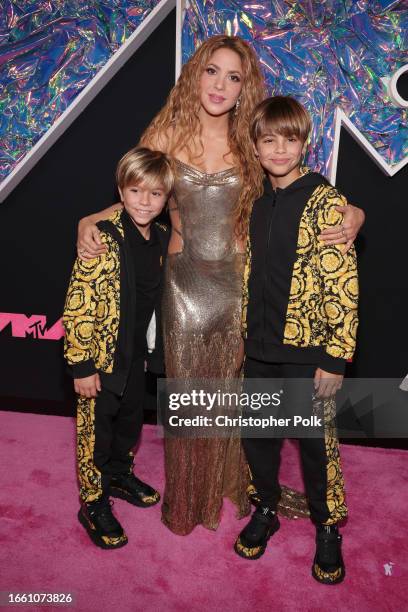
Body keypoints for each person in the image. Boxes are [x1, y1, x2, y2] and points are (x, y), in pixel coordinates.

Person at [76, 35, 365, 536]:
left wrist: (356, 212)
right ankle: (189, 495)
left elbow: (296, 187)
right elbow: (137, 192)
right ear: (196, 73)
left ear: (244, 86)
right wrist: (92, 216)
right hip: (183, 286)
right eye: (213, 71)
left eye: (234, 77)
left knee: (234, 398)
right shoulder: (167, 131)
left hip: (239, 287)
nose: (221, 85)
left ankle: (237, 484)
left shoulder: (252, 137)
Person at [234, 96, 358, 585]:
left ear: (304, 143)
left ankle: (328, 527)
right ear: (257, 148)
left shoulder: (327, 201)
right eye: (269, 141)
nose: (280, 150)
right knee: (258, 437)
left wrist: (335, 356)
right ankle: (264, 508)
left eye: (290, 139)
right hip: (261, 349)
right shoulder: (260, 205)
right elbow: (252, 275)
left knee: (314, 444)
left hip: (310, 354)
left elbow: (343, 282)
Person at [63, 147, 173, 548]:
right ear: (121, 193)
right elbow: (79, 304)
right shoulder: (102, 238)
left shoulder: (162, 237)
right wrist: (81, 365)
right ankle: (92, 501)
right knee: (96, 434)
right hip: (101, 360)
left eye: (155, 194)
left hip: (135, 358)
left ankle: (119, 476)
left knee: (128, 425)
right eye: (136, 191)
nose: (145, 202)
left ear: (165, 198)